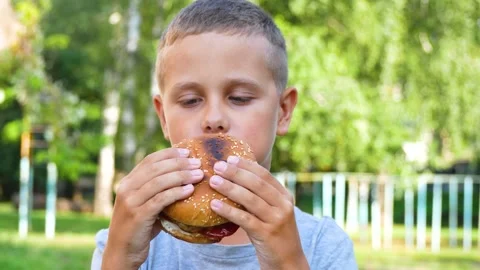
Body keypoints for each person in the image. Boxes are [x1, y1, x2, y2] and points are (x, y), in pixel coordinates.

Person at [91, 0, 357, 269]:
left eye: (239, 98)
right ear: (163, 117)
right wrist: (119, 258)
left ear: (283, 111)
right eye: (190, 100)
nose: (213, 119)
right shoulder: (129, 243)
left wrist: (288, 263)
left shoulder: (323, 245)